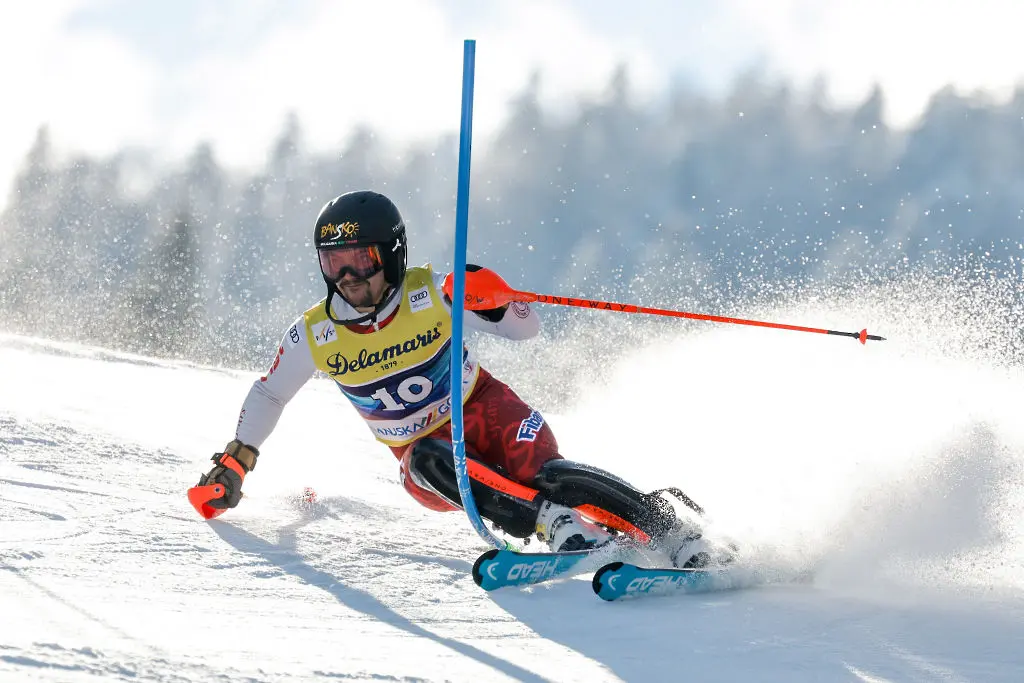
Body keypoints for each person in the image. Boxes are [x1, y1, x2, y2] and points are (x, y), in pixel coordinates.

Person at [192, 190, 729, 567]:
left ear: (394, 255)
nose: (350, 278)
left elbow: (527, 328)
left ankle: (673, 533)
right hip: (427, 458)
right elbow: (269, 393)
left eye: (363, 259)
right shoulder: (316, 334)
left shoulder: (433, 291)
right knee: (425, 458)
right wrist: (237, 461)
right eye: (336, 264)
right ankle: (552, 524)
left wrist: (493, 299)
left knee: (546, 470)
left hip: (488, 411)